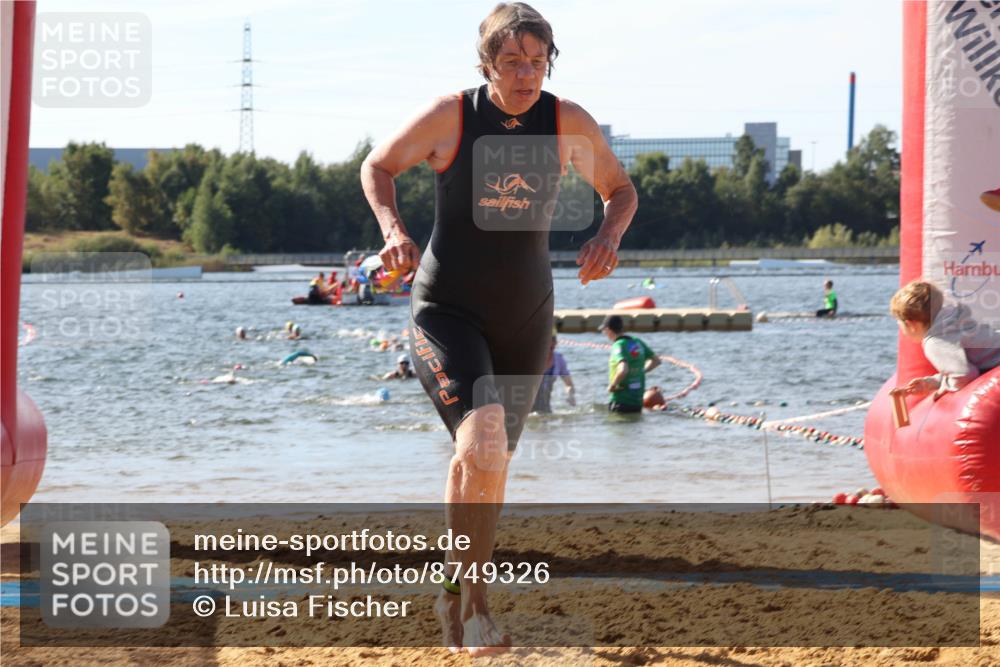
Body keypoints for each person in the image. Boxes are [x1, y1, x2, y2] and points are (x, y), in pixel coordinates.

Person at [359, 2, 637, 655]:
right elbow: (378, 165)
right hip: (445, 309)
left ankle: (454, 591)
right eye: (512, 61)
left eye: (537, 61)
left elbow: (620, 190)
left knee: (490, 464)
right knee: (480, 440)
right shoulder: (451, 117)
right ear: (487, 63)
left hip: (526, 318)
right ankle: (475, 612)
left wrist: (608, 234)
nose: (525, 73)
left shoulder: (565, 121)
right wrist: (393, 230)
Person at [891, 280, 1000, 399]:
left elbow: (964, 375)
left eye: (899, 323)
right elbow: (968, 367)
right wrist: (931, 383)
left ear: (911, 324)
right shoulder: (952, 324)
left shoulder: (935, 342)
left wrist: (944, 388)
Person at [600, 315, 660, 413]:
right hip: (637, 402)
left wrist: (612, 385)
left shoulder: (618, 345)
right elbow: (656, 361)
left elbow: (623, 370)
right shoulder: (637, 342)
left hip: (621, 402)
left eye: (604, 331)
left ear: (608, 330)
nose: (604, 334)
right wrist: (641, 371)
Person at [531, 335, 575, 413]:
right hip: (527, 409)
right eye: (547, 345)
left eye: (553, 345)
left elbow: (569, 384)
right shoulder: (532, 358)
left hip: (546, 408)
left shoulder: (559, 360)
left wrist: (570, 395)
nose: (550, 348)